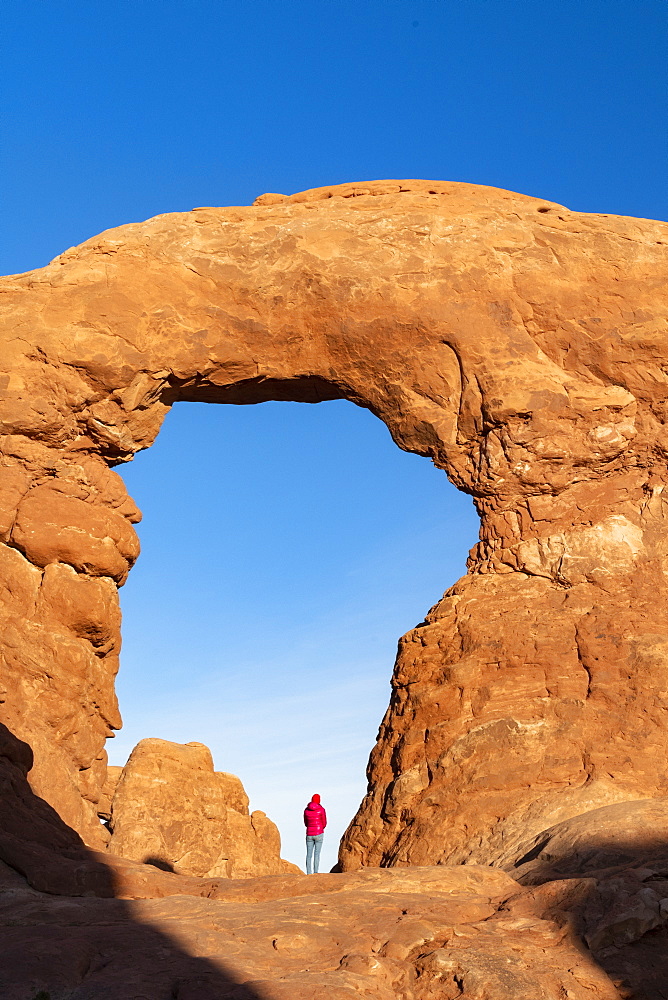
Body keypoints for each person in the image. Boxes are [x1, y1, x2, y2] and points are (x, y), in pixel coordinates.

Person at [303, 793, 327, 874]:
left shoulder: (306, 810)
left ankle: (309, 873)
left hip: (309, 833)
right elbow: (324, 822)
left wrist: (309, 827)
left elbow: (305, 823)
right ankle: (316, 872)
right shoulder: (321, 809)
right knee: (317, 854)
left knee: (309, 855)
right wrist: (321, 828)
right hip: (319, 832)